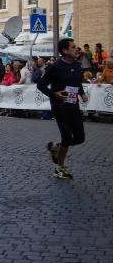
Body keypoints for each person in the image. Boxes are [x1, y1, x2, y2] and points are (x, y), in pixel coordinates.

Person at [38, 38, 89, 180]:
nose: (76, 49)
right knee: (67, 137)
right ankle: (59, 169)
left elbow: (77, 83)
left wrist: (82, 94)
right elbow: (40, 85)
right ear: (65, 51)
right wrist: (54, 94)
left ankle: (56, 146)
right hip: (60, 107)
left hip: (74, 106)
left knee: (79, 138)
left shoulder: (78, 65)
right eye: (73, 47)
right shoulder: (55, 67)